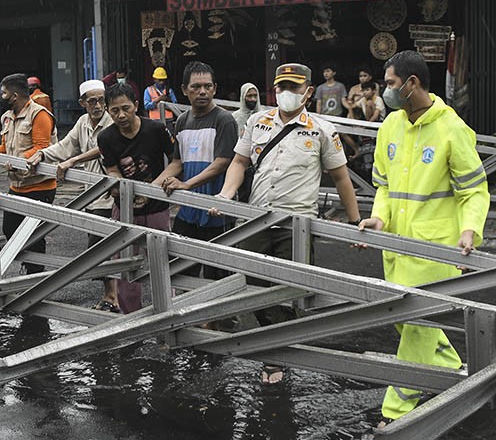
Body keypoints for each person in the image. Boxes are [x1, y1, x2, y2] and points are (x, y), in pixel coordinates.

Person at [358, 50, 488, 429]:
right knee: (408, 321)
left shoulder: (452, 129)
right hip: (395, 246)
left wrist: (470, 229)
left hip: (433, 248)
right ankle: (452, 368)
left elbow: (474, 190)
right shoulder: (390, 127)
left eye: (392, 84)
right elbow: (382, 186)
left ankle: (397, 412)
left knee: (414, 324)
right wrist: (378, 217)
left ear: (412, 84)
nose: (386, 91)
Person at [209, 62, 361, 384]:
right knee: (253, 285)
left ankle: (274, 359)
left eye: (293, 87)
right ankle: (281, 348)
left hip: (297, 223)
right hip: (257, 218)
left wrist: (355, 221)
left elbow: (342, 178)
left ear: (307, 91)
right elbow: (238, 162)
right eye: (281, 87)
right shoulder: (257, 121)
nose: (286, 93)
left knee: (287, 288)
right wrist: (225, 195)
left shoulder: (322, 129)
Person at [27, 79, 116, 311]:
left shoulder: (113, 119)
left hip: (112, 194)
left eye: (101, 100)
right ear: (83, 103)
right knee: (100, 248)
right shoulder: (83, 123)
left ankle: (114, 297)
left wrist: (74, 160)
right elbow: (66, 146)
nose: (98, 106)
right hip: (93, 195)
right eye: (92, 101)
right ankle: (112, 296)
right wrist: (42, 155)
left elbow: (107, 146)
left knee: (107, 246)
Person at [153, 61, 237, 280]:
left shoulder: (224, 120)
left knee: (217, 277)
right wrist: (149, 189)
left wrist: (187, 184)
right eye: (196, 87)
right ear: (183, 90)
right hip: (188, 210)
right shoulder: (182, 121)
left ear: (215, 89)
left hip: (216, 211)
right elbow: (177, 162)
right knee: (180, 271)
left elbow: (222, 162)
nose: (203, 92)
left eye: (208, 86)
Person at [97, 82, 176, 313]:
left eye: (126, 108)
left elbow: (175, 162)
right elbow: (111, 168)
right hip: (124, 208)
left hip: (157, 207)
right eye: (114, 111)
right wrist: (121, 185)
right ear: (108, 110)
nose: (121, 115)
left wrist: (154, 186)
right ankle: (131, 316)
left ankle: (167, 310)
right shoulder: (106, 137)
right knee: (125, 265)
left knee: (162, 260)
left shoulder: (156, 130)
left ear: (136, 105)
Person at [0, 73, 57, 274]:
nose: (1, 96)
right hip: (17, 186)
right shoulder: (7, 117)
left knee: (34, 235)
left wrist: (18, 160)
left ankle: (35, 276)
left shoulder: (39, 114)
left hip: (39, 186)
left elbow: (42, 147)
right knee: (10, 229)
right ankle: (29, 264)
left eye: (4, 93)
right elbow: (4, 147)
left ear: (15, 95)